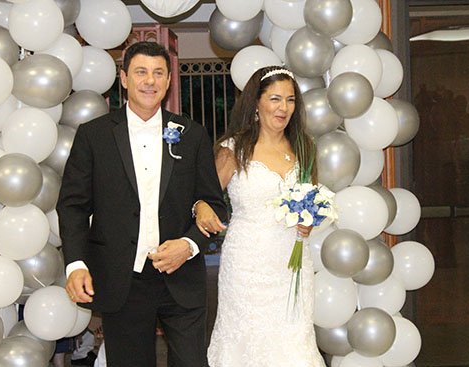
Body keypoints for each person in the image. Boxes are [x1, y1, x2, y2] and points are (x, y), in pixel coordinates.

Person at [56, 41, 227, 367]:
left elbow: (214, 205)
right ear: (124, 79)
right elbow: (73, 205)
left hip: (182, 277)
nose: (150, 80)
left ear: (168, 81)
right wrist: (76, 264)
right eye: (141, 72)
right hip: (123, 279)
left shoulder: (192, 135)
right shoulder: (94, 135)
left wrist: (189, 245)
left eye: (158, 73)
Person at [196, 66, 326, 366]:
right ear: (256, 102)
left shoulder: (305, 147)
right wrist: (202, 207)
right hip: (247, 266)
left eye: (291, 100)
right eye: (275, 99)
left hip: (293, 265)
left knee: (295, 341)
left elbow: (312, 197)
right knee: (248, 342)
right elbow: (205, 196)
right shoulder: (234, 149)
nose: (284, 108)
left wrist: (309, 220)